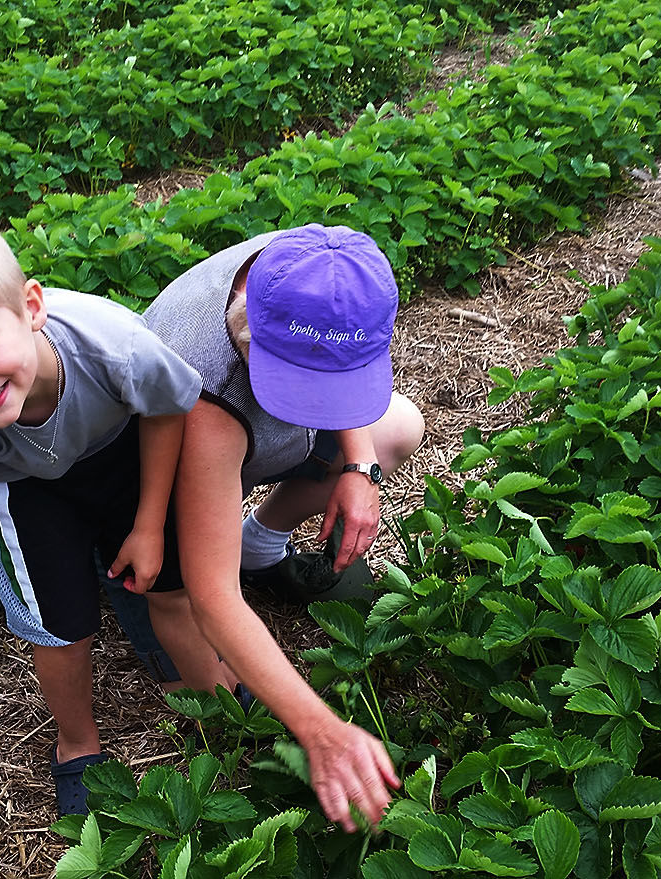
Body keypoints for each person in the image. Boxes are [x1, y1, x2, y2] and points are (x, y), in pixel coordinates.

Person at [0, 215, 235, 815]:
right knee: (59, 627)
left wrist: (146, 522)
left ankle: (219, 706)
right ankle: (77, 744)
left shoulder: (112, 343)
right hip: (28, 491)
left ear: (30, 306)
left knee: (171, 589)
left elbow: (167, 411)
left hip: (124, 457)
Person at [128, 223, 426, 831]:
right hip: (166, 467)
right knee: (190, 622)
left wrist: (361, 468)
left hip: (249, 442)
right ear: (255, 332)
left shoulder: (326, 268)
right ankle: (157, 610)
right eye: (305, 382)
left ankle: (257, 543)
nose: (325, 398)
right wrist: (320, 729)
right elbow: (215, 602)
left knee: (398, 429)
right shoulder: (202, 387)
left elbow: (341, 372)